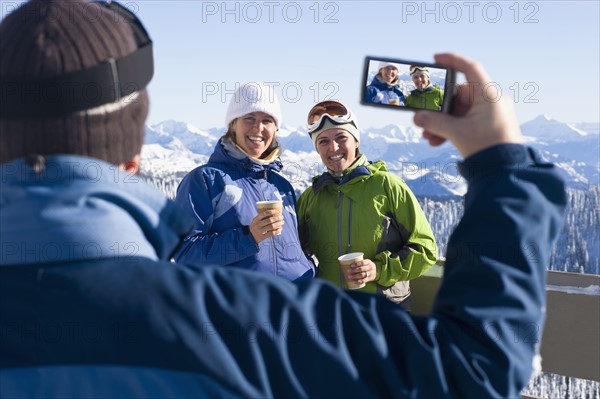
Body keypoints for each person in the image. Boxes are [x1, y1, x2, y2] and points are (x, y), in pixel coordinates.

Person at [0, 1, 567, 398]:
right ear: (132, 158)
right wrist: (501, 162)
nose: (261, 130)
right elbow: (478, 369)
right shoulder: (232, 323)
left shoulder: (287, 188)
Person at [296, 100, 437, 308]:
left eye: (341, 137)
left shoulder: (388, 186)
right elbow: (291, 253)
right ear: (317, 149)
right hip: (332, 313)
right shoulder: (311, 197)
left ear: (356, 141)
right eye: (323, 141)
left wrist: (378, 270)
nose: (333, 148)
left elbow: (426, 250)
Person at [173, 82, 315, 281]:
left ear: (275, 129)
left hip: (293, 303)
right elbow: (185, 253)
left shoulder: (282, 186)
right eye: (249, 118)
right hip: (240, 306)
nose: (258, 128)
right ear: (233, 125)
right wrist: (248, 237)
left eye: (267, 120)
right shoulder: (205, 180)